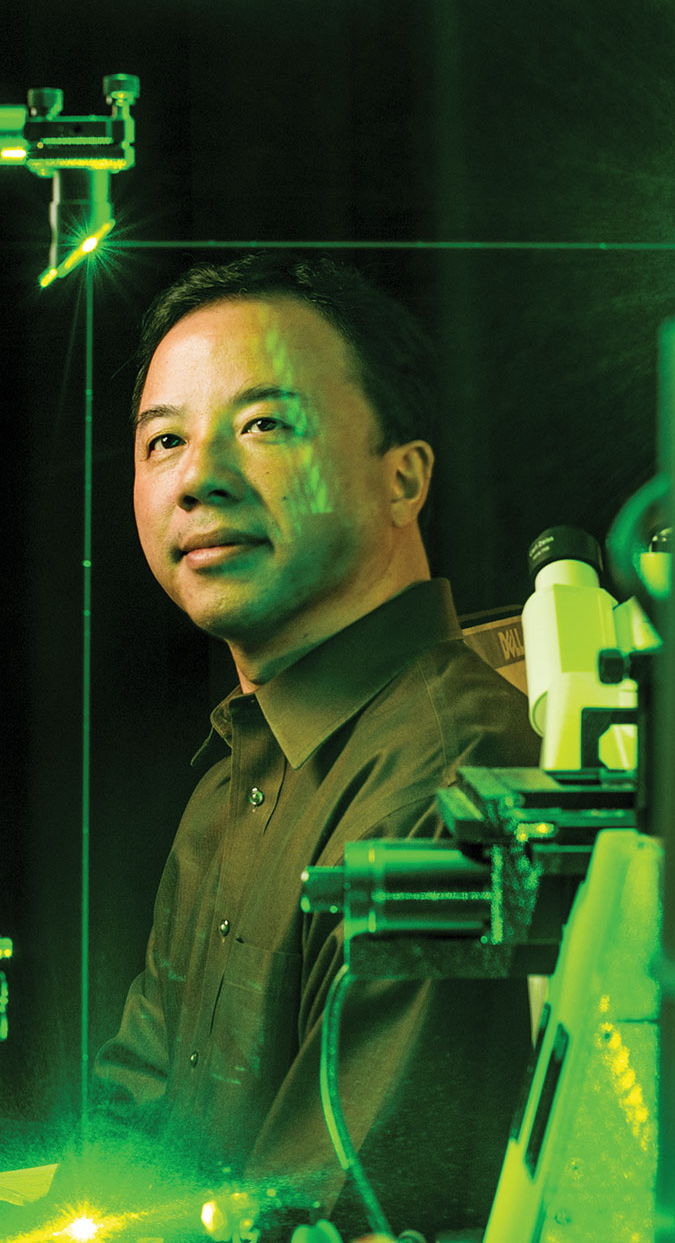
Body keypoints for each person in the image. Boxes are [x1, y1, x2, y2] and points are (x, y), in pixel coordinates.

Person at [84, 254, 541, 1237]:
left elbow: (342, 1208)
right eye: (162, 440)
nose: (197, 478)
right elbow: (129, 1129)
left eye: (262, 425)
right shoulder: (235, 767)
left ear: (402, 477)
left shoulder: (449, 780)